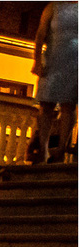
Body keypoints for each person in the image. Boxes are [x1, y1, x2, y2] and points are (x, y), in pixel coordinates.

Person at [29, 2, 78, 164]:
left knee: (68, 105)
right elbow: (40, 34)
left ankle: (61, 149)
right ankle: (43, 148)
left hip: (75, 62)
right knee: (46, 104)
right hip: (53, 59)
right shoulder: (53, 7)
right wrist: (36, 60)